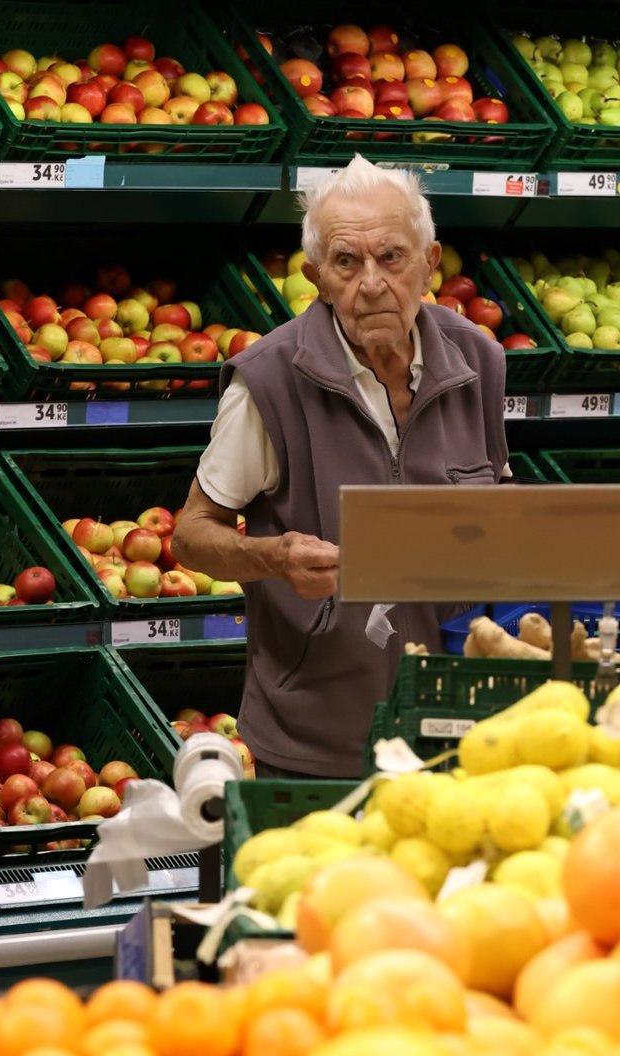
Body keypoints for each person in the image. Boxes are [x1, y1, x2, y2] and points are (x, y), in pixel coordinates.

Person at [171, 153, 509, 779]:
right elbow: (191, 533)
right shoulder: (268, 381)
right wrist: (274, 557)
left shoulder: (478, 363)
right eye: (346, 263)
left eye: (392, 257)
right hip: (316, 744)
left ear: (430, 264)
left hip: (461, 732)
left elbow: (496, 511)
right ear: (317, 277)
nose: (372, 282)